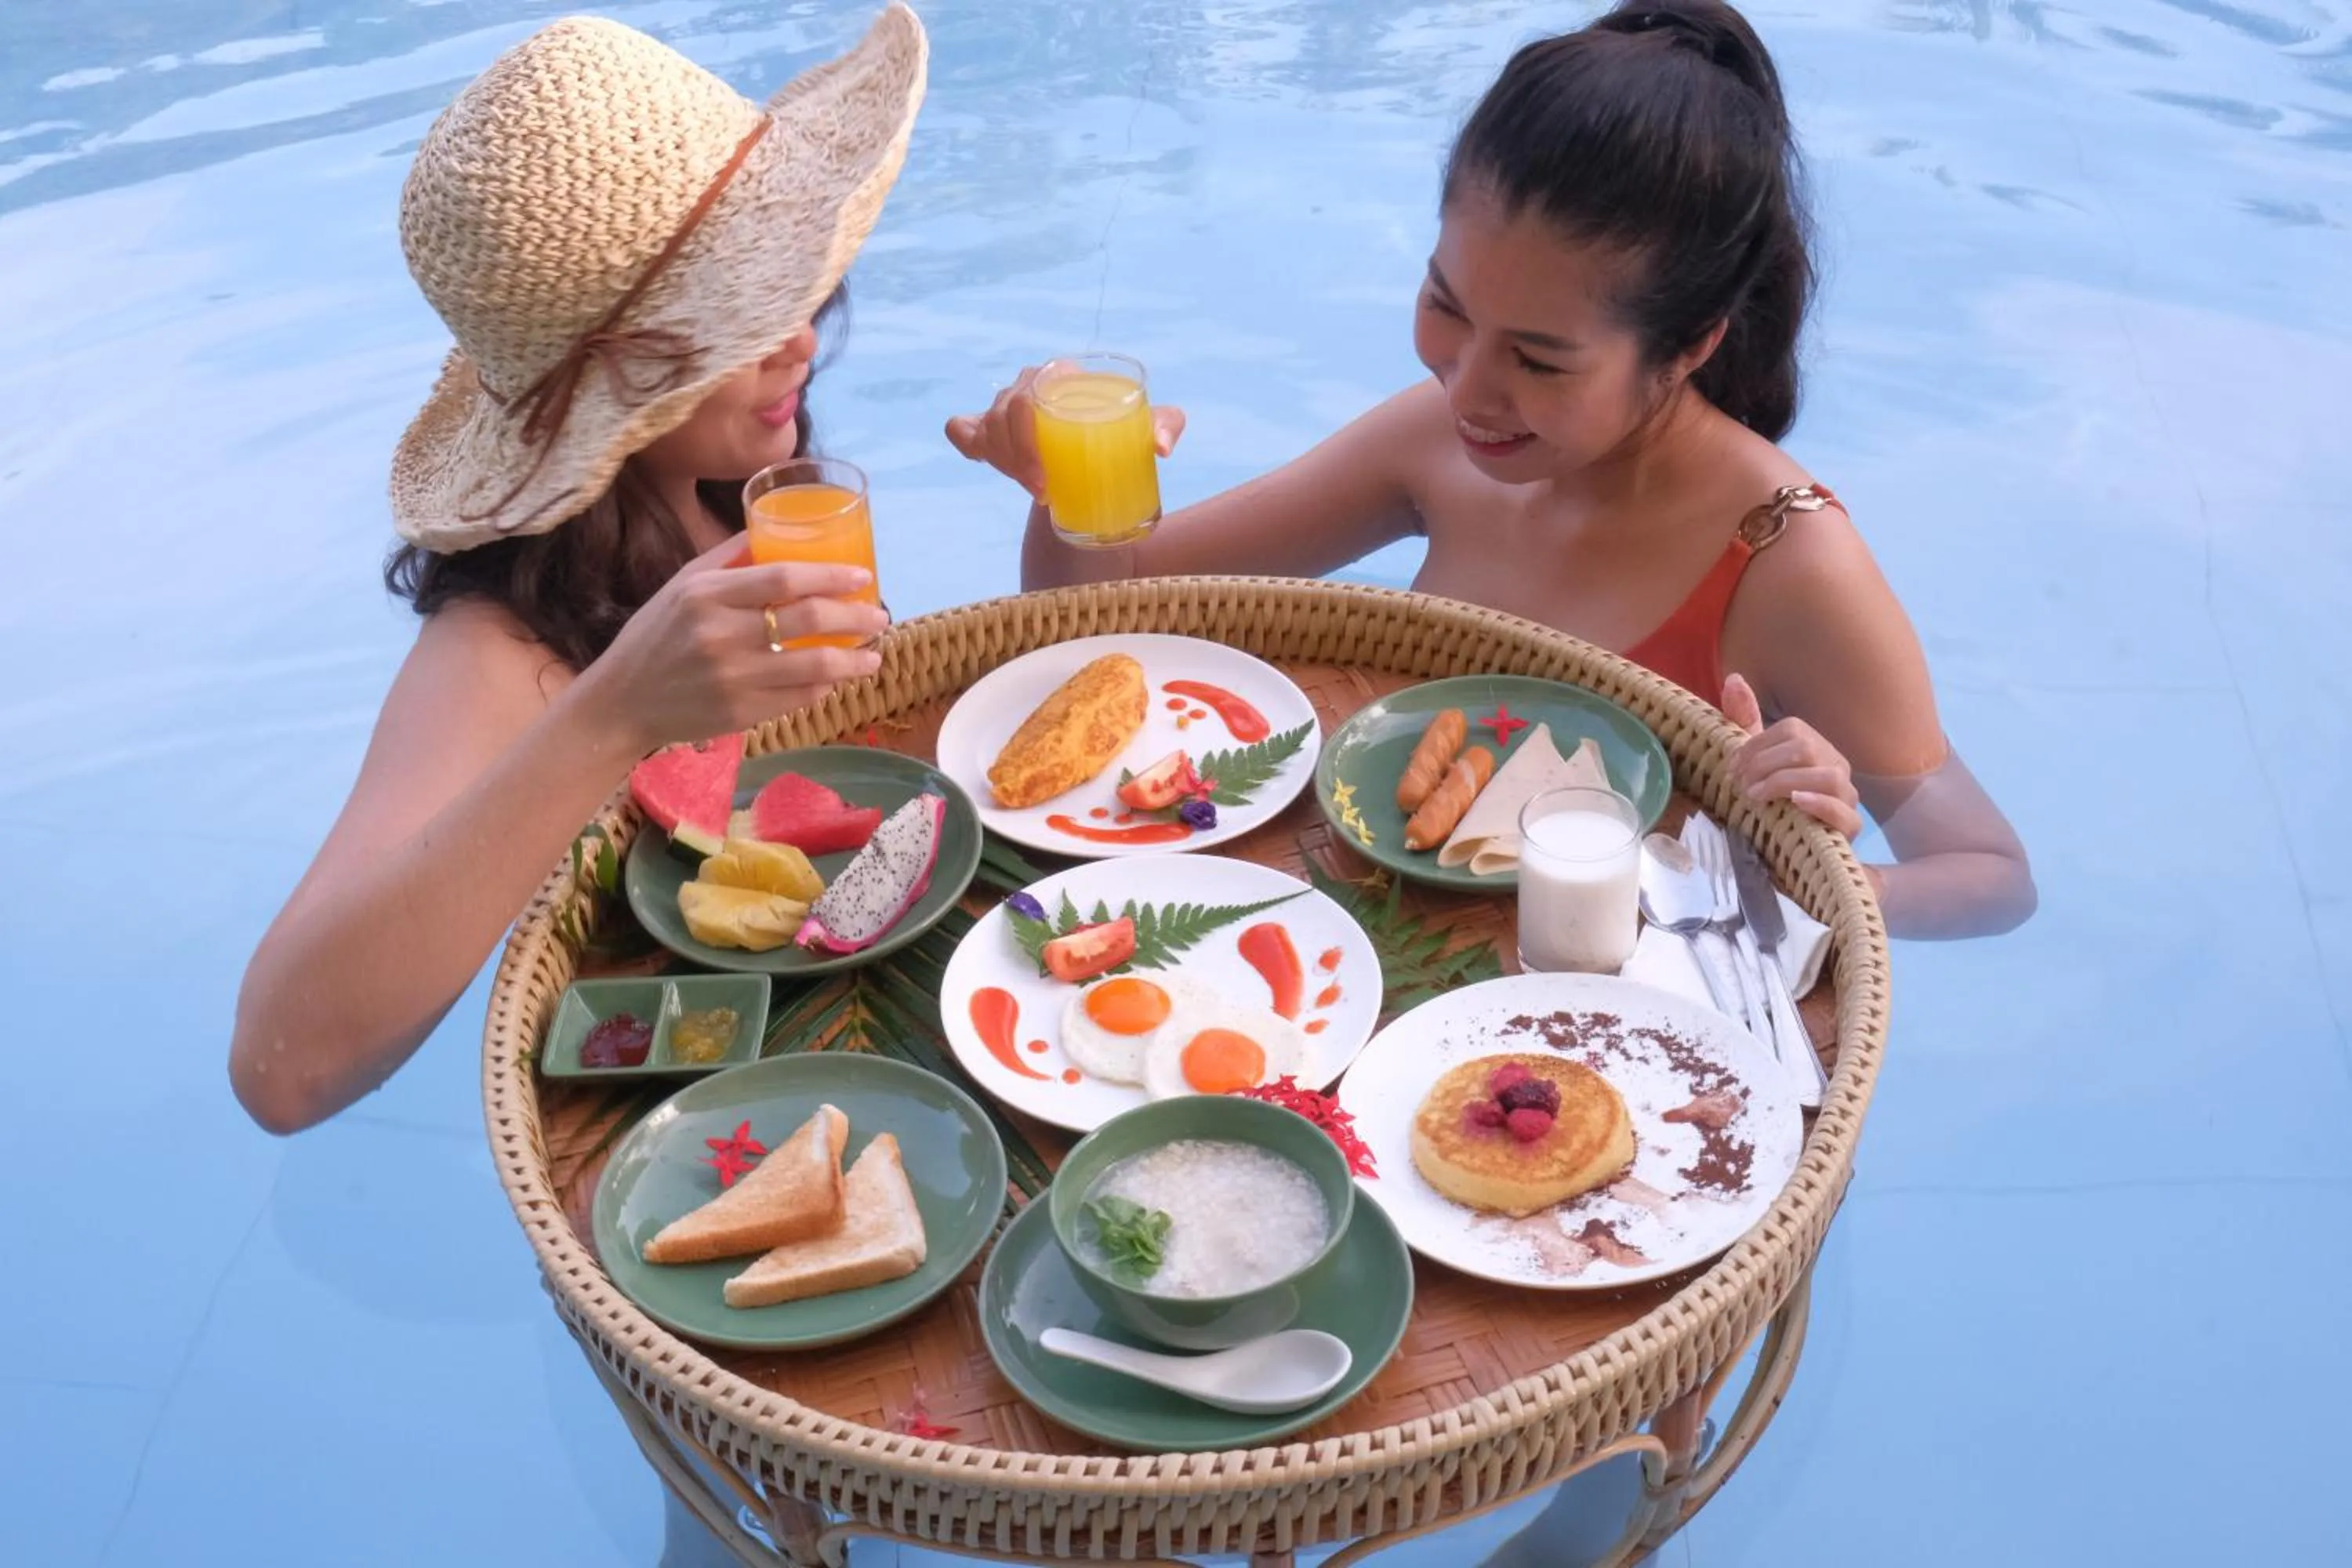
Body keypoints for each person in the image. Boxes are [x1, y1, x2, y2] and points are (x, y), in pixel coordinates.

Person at [948, 0, 2034, 940]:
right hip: (1378, 958)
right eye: (1447, 308)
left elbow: (1992, 878)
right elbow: (1104, 608)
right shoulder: (1438, 441)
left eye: (1538, 359)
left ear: (1693, 342)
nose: (1469, 389)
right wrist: (1064, 492)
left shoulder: (1789, 564)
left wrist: (1809, 868)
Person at [229, 5, 929, 1136]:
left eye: (793, 287)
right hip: (699, 1135)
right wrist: (608, 717)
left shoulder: (741, 496)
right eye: (739, 322)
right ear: (622, 399)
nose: (799, 339)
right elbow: (282, 1070)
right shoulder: (498, 652)